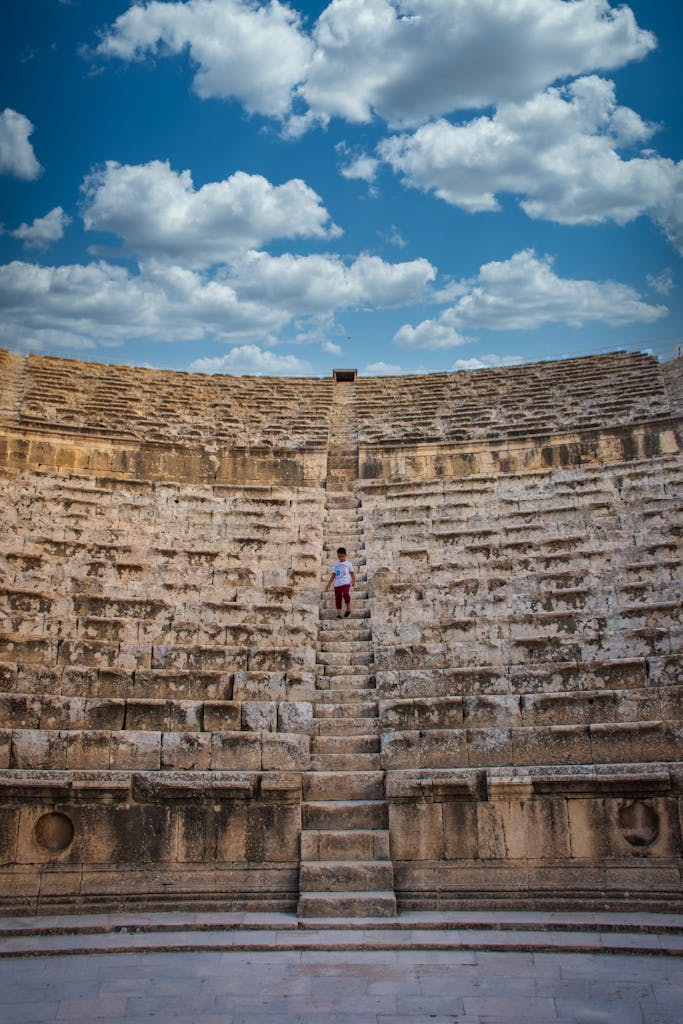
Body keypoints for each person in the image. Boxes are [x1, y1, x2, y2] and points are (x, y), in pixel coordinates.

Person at [325, 546, 355, 618]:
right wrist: (329, 584)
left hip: (346, 583)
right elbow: (333, 575)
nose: (341, 558)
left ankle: (348, 609)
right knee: (338, 599)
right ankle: (339, 614)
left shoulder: (348, 563)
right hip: (337, 584)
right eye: (339, 556)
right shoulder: (336, 565)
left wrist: (353, 581)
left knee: (346, 594)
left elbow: (352, 573)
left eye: (342, 556)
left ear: (345, 555)